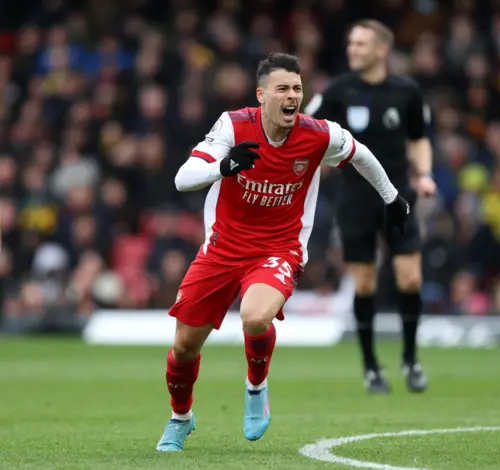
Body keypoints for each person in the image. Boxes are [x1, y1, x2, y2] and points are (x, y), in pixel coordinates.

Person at [156, 53, 410, 452]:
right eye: (283, 89)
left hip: (278, 248)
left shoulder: (318, 134)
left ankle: (256, 386)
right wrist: (224, 166)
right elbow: (182, 178)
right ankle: (181, 418)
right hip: (222, 249)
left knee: (255, 316)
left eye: (297, 88)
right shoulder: (234, 125)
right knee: (184, 347)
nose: (293, 96)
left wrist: (392, 199)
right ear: (262, 95)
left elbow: (361, 154)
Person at [305, 20, 436, 394]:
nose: (353, 49)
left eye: (361, 43)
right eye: (350, 42)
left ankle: (410, 359)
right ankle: (371, 367)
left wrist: (424, 173)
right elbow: (307, 127)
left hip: (396, 194)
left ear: (381, 49)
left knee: (410, 277)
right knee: (363, 283)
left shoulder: (406, 91)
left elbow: (419, 138)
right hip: (355, 198)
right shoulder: (338, 90)